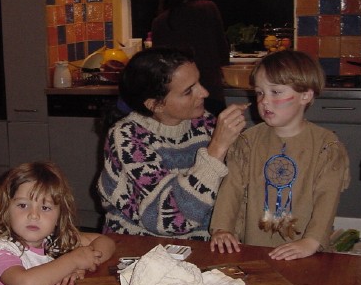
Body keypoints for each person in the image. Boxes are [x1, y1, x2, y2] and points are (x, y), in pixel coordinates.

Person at [209, 50, 350, 260]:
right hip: (253, 248)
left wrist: (312, 241)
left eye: (276, 92)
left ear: (306, 95)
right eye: (259, 92)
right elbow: (232, 189)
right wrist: (222, 229)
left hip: (305, 252)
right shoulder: (247, 141)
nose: (265, 101)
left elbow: (326, 198)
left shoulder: (326, 146)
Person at [97, 47, 248, 240]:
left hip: (202, 246)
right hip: (138, 247)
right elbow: (172, 218)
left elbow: (236, 185)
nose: (204, 92)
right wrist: (216, 149)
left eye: (198, 82)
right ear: (155, 104)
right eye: (188, 91)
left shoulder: (206, 123)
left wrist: (223, 228)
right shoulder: (127, 137)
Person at [0, 161, 115, 285]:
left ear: (59, 216)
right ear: (6, 210)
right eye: (23, 205)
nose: (34, 215)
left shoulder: (54, 240)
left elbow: (105, 241)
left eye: (45, 207)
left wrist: (85, 262)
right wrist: (73, 261)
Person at [151, 0, 230, 116]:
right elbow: (223, 54)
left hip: (177, 99)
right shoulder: (208, 8)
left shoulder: (160, 21)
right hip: (209, 91)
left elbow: (159, 66)